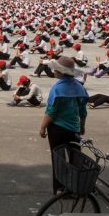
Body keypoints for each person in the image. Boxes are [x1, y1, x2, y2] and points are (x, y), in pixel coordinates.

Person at [39, 56, 89, 194]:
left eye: (56, 69)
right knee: (75, 158)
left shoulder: (57, 89)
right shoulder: (79, 87)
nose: (54, 71)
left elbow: (51, 111)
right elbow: (83, 111)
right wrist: (82, 126)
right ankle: (75, 186)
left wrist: (43, 127)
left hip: (57, 129)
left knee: (58, 159)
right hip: (74, 128)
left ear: (61, 72)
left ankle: (60, 188)